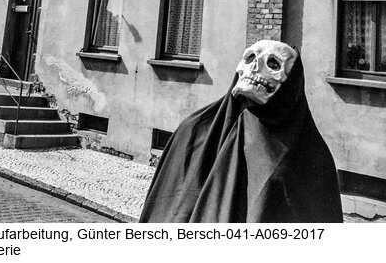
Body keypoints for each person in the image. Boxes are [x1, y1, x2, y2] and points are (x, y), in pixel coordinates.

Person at [139, 40, 342, 223]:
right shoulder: (192, 131)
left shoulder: (312, 157)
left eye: (273, 64)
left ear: (291, 83)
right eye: (250, 58)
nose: (255, 68)